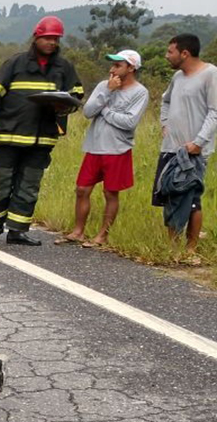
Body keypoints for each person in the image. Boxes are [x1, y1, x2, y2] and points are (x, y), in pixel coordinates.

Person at [0, 16, 84, 246]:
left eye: (56, 39)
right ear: (36, 37)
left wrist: (64, 105)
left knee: (28, 188)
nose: (51, 42)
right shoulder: (15, 63)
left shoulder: (64, 67)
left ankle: (17, 231)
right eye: (47, 38)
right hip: (8, 137)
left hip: (41, 140)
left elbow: (76, 94)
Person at [61, 50, 149, 247]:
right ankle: (78, 231)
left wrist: (105, 110)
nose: (112, 69)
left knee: (110, 193)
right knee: (82, 189)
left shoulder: (140, 92)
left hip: (117, 148)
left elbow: (129, 122)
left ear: (131, 68)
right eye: (112, 65)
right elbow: (88, 112)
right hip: (94, 146)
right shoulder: (104, 86)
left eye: (118, 65)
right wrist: (108, 91)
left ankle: (102, 236)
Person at [152, 33, 217, 261]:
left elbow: (215, 112)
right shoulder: (178, 77)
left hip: (194, 152)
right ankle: (173, 248)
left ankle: (190, 249)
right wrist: (165, 123)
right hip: (171, 148)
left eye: (170, 52)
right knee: (170, 195)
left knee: (191, 199)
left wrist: (198, 142)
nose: (166, 56)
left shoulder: (210, 74)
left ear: (185, 53)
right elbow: (166, 100)